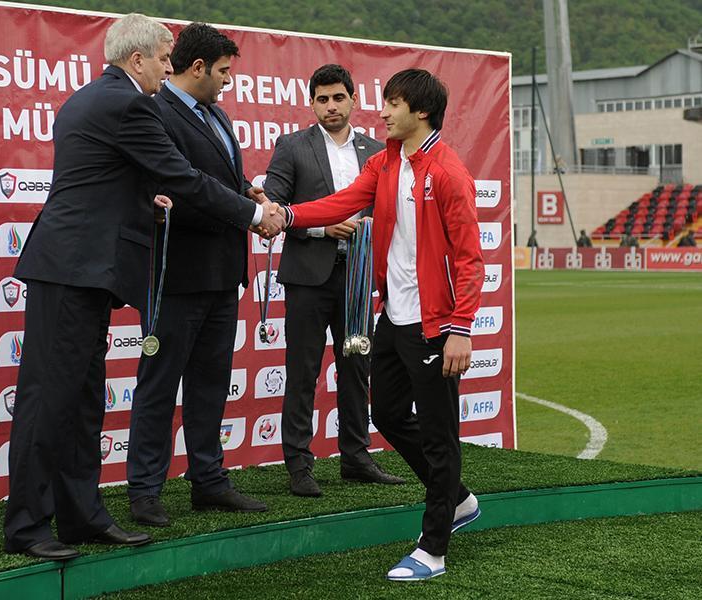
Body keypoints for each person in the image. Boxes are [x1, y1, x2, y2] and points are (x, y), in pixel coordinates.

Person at [3, 13, 284, 561]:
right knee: (49, 401)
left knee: (83, 401)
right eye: (161, 59)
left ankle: (81, 516)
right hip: (72, 269)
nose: (167, 68)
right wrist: (254, 215)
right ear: (137, 60)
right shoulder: (127, 104)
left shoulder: (100, 97)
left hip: (85, 271)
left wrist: (147, 204)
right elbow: (182, 177)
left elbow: (113, 181)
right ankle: (26, 527)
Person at [279, 69, 484, 581]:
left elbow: (469, 259)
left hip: (436, 325)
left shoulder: (449, 172)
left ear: (421, 112)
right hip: (393, 317)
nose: (383, 112)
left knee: (440, 439)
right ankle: (457, 498)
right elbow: (343, 203)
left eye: (393, 104)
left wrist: (461, 327)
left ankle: (433, 549)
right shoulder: (386, 161)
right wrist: (287, 215)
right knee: (387, 414)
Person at [126, 23, 267, 526]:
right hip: (175, 275)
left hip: (223, 274)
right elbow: (179, 186)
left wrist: (247, 192)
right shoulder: (154, 111)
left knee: (210, 386)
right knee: (159, 387)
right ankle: (145, 490)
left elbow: (221, 179)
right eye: (224, 71)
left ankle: (209, 480)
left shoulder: (217, 113)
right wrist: (248, 213)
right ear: (199, 67)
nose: (229, 80)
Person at [264, 64, 403, 497]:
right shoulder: (292, 146)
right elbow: (275, 208)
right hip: (308, 277)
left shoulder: (377, 151)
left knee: (357, 368)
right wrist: (322, 228)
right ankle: (299, 465)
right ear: (311, 103)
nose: (331, 106)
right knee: (302, 373)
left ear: (353, 100)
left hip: (358, 276)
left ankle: (356, 457)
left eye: (338, 98)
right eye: (322, 99)